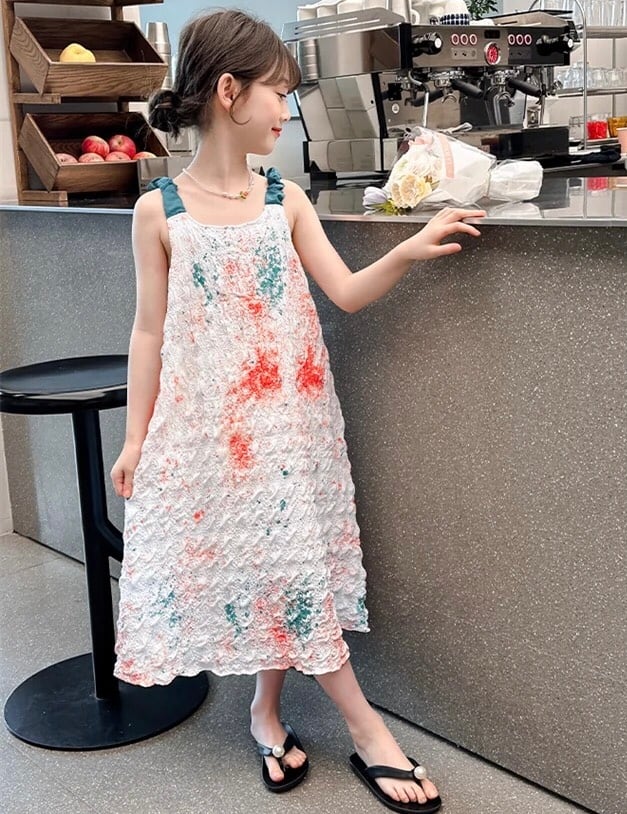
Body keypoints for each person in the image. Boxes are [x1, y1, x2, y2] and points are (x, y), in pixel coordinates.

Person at [111, 10, 485, 813]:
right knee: (274, 569)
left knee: (282, 566)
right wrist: (136, 437)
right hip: (214, 434)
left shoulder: (283, 200)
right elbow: (147, 331)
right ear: (228, 90)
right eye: (278, 93)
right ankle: (364, 730)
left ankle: (264, 712)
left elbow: (342, 292)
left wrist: (405, 248)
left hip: (291, 429)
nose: (287, 110)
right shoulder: (159, 211)